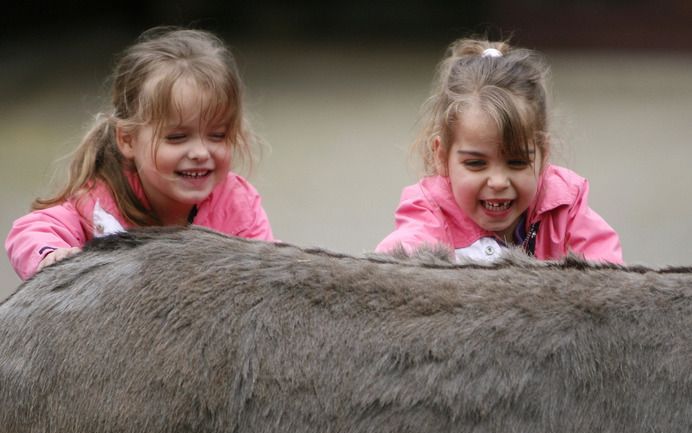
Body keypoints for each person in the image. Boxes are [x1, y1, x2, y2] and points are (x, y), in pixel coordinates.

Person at [6, 26, 274, 280]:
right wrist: (52, 256)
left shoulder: (238, 207)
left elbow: (268, 272)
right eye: (177, 137)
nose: (200, 152)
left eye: (217, 135)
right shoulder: (101, 203)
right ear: (128, 140)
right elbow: (31, 230)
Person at [376, 38, 622, 264]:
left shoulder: (564, 206)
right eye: (475, 164)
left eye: (516, 162)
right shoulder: (429, 214)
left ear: (543, 154)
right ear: (442, 157)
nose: (498, 181)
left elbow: (607, 277)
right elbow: (395, 271)